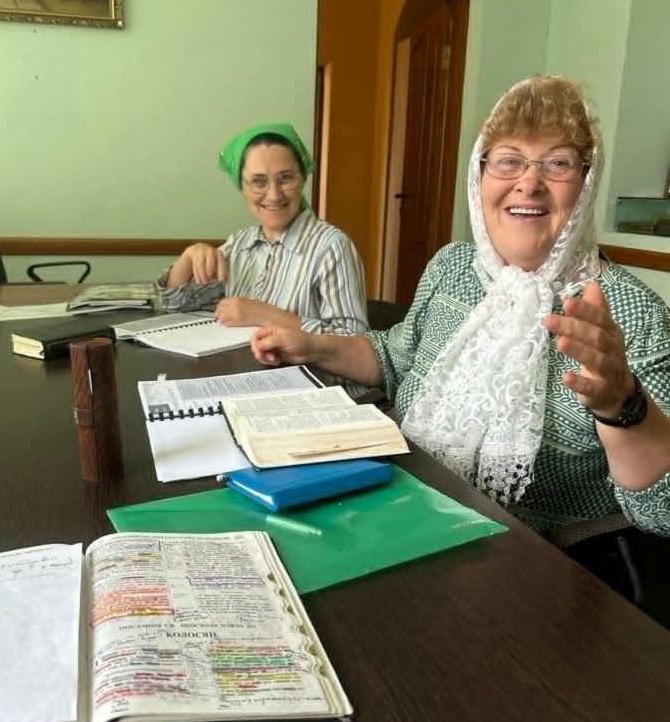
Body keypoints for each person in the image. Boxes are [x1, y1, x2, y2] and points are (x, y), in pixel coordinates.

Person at [252, 78, 670, 535]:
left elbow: (661, 514)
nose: (529, 183)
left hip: (529, 564)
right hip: (396, 503)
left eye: (558, 164)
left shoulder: (634, 315)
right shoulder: (453, 265)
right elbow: (396, 355)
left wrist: (621, 407)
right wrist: (311, 347)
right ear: (480, 175)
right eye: (509, 161)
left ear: (586, 185)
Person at [157, 123, 368, 335]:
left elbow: (353, 339)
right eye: (259, 182)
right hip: (238, 365)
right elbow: (175, 306)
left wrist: (265, 316)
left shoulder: (332, 247)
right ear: (242, 187)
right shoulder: (239, 244)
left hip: (297, 369)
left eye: (286, 178)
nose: (274, 195)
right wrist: (188, 256)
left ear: (303, 178)